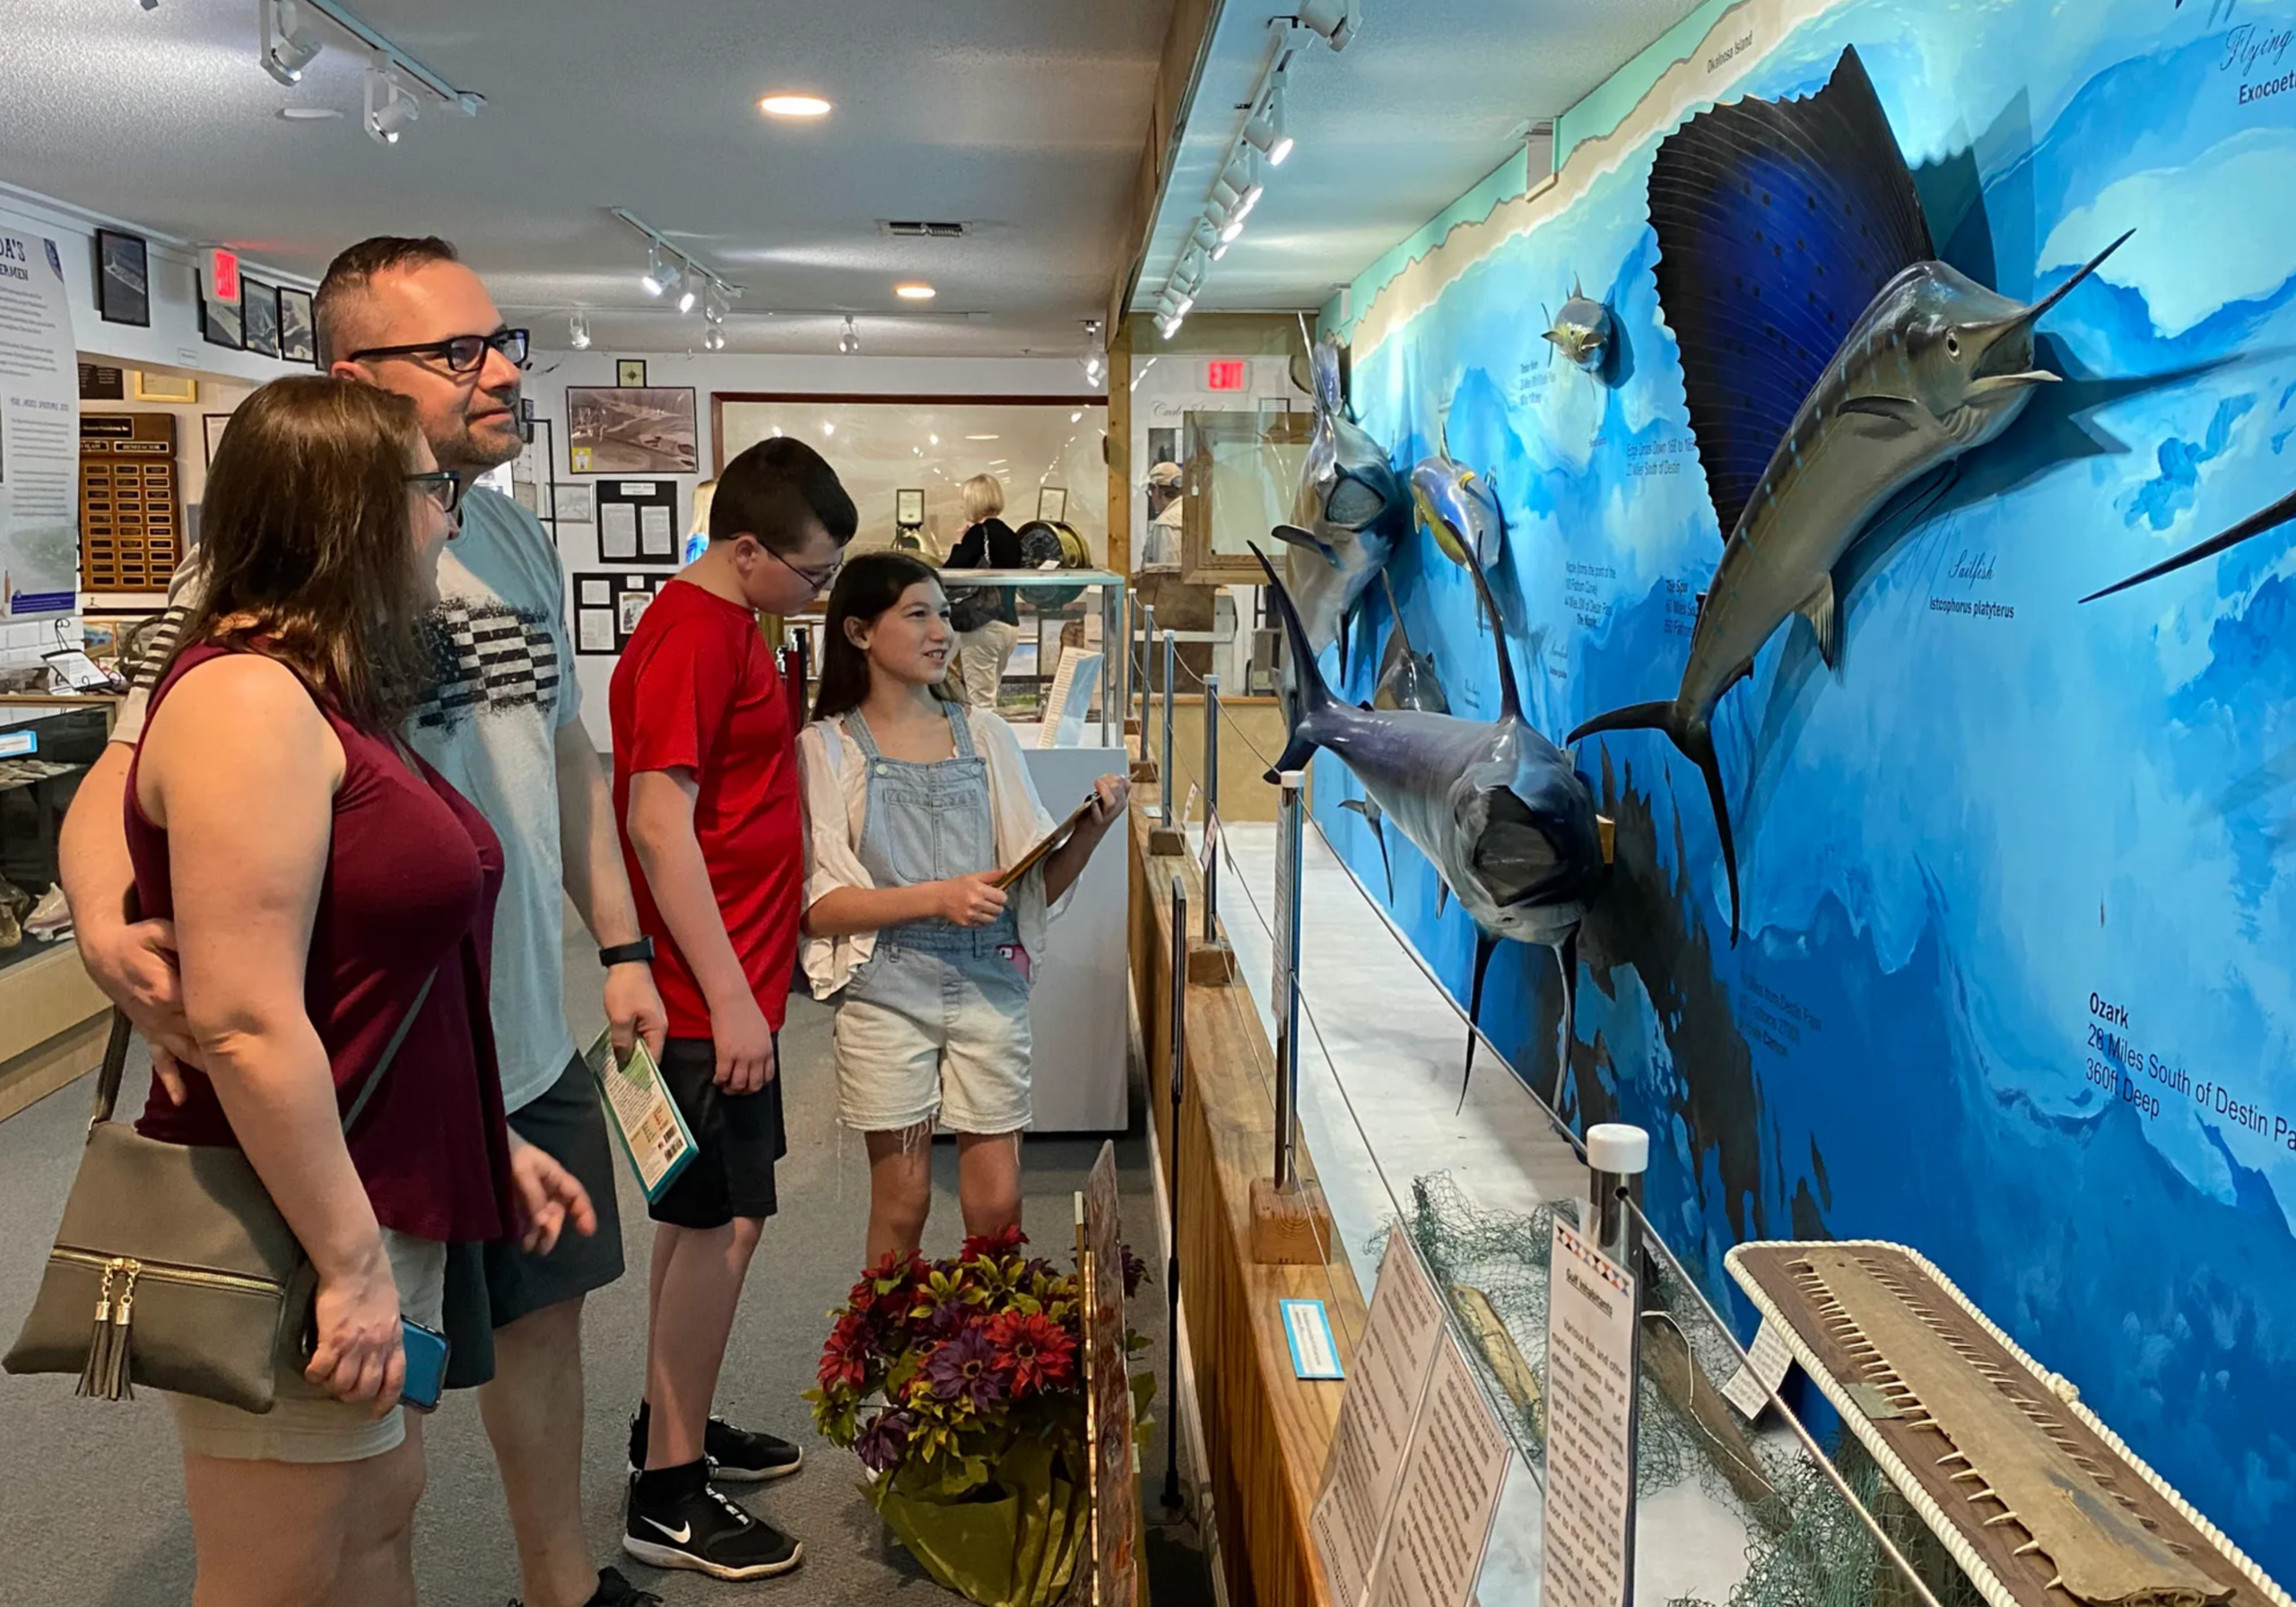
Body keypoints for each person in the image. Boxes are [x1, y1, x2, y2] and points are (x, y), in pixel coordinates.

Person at [58, 237, 682, 1607]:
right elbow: (127, 769)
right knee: (337, 1456)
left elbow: (567, 763)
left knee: (498, 1364)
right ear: (355, 383)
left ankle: (561, 1582)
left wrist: (622, 947)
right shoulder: (256, 601)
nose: (502, 369)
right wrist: (107, 926)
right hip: (353, 1071)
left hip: (508, 1038)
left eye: (497, 337)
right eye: (457, 351)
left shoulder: (501, 527)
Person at [118, 375, 593, 1605]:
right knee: (279, 1569)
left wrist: (481, 1138)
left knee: (378, 1519)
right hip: (298, 1214)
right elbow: (245, 1015)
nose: (449, 518)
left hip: (380, 1187)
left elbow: (368, 979)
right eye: (429, 493)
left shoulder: (328, 692)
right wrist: (350, 1265)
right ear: (348, 510)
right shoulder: (243, 701)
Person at [611, 436, 857, 1581]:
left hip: (739, 980)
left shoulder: (735, 630)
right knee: (724, 1225)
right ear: (747, 549)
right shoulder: (692, 638)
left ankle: (675, 1426)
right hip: (709, 1000)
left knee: (698, 1217)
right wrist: (724, 998)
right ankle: (666, 1495)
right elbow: (657, 821)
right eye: (809, 575)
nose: (816, 595)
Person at [797, 552, 1128, 1264]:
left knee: (997, 1203)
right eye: (917, 614)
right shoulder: (825, 749)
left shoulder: (986, 735)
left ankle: (998, 1361)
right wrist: (939, 898)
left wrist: (1094, 829)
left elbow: (1034, 885)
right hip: (885, 990)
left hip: (989, 985)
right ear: (858, 631)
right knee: (903, 1200)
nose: (940, 630)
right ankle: (890, 1365)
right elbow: (819, 910)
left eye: (944, 614)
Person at [944, 473, 1024, 708]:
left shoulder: (979, 534)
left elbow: (950, 571)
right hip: (1009, 624)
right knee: (990, 695)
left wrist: (960, 542)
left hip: (983, 624)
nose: (962, 505)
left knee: (981, 703)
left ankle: (984, 745)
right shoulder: (1011, 534)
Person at [1141, 460, 1185, 570]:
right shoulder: (1195, 513)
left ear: (1156, 489)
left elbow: (1166, 574)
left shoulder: (1166, 523)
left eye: (1151, 492)